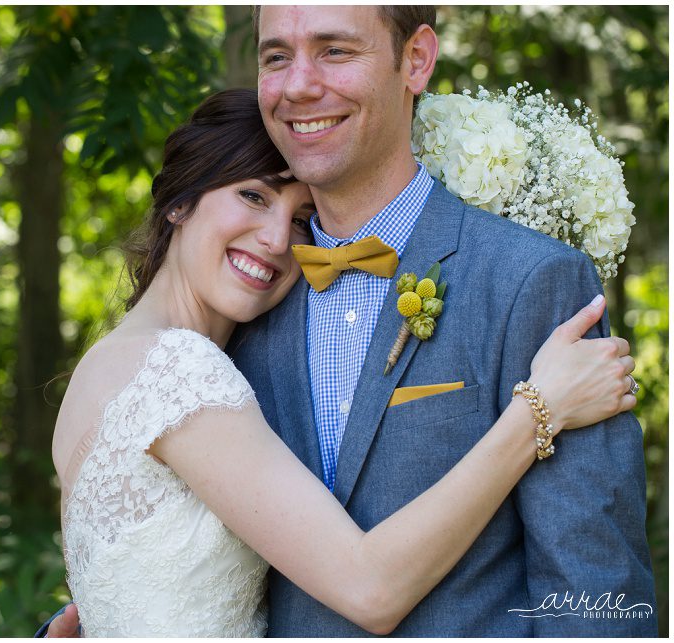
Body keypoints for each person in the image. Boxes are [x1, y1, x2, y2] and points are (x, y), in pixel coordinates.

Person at [46, 88, 639, 637]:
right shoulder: (175, 372)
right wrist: (537, 410)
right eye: (252, 195)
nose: (278, 239)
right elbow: (370, 587)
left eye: (303, 218)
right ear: (179, 201)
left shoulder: (122, 364)